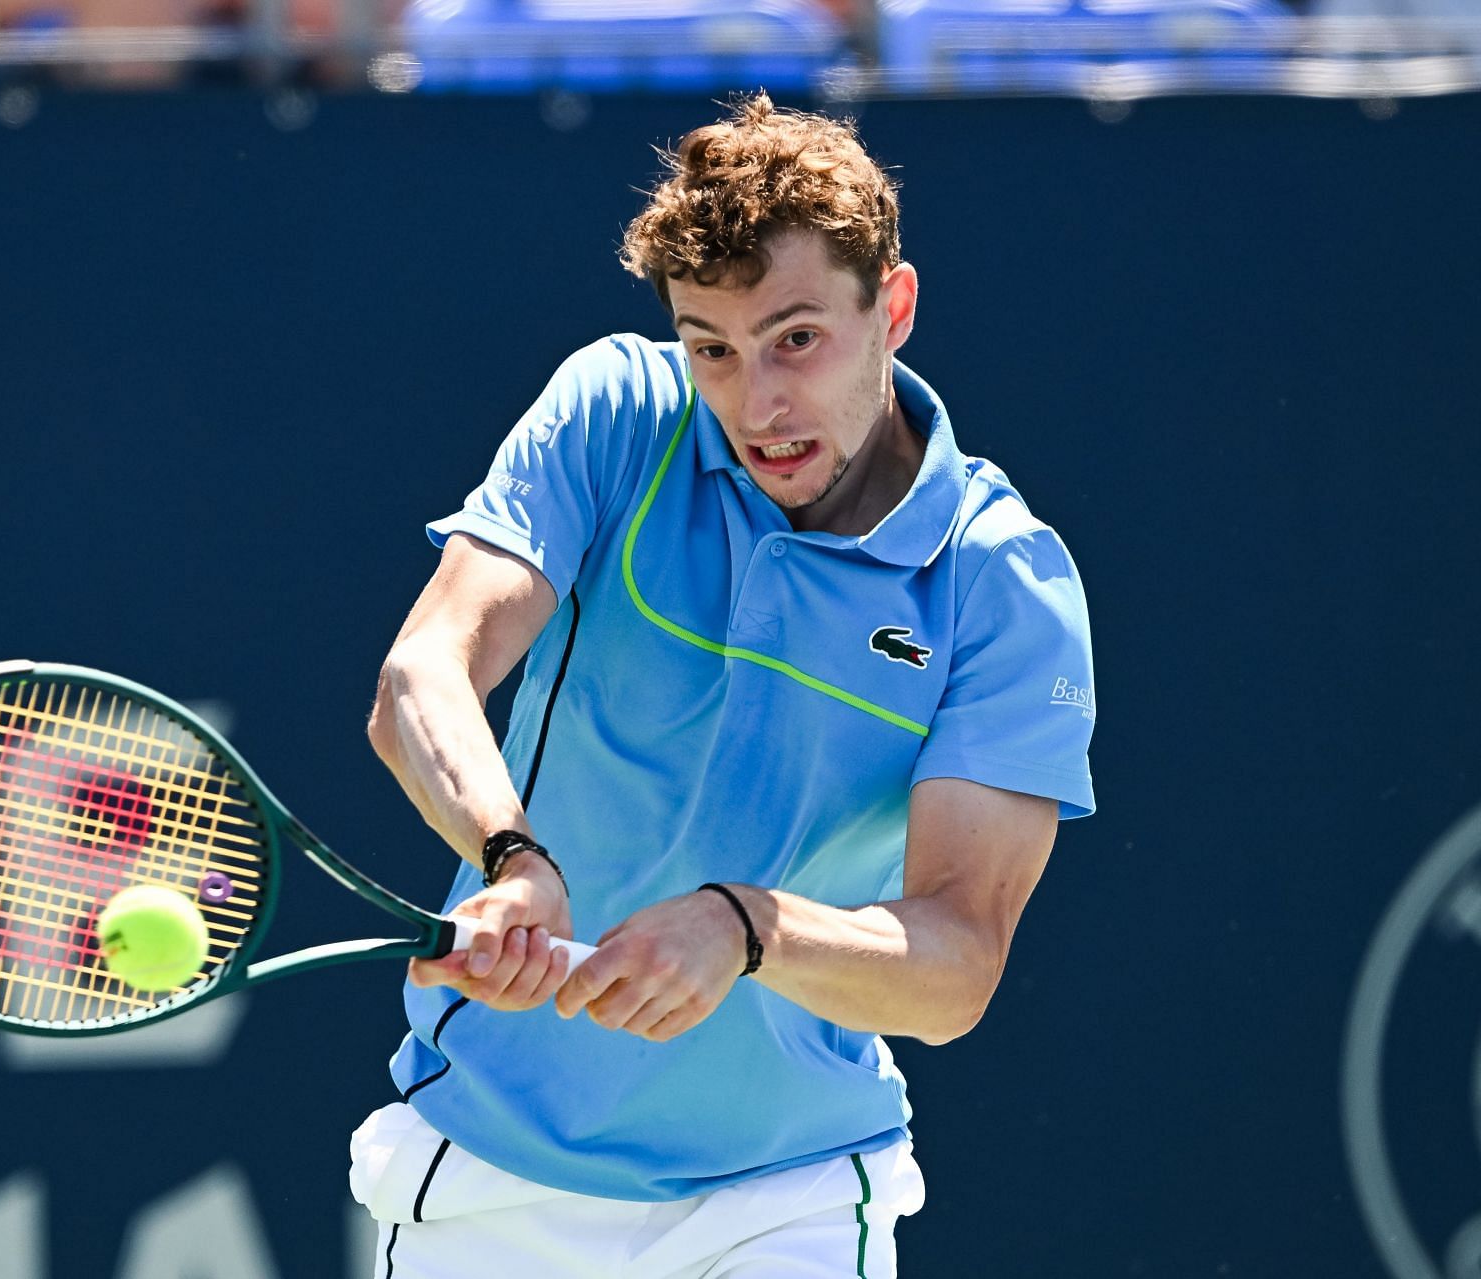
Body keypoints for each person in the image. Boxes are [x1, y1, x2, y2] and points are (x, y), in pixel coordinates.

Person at [351, 91, 1096, 1278]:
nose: (756, 404)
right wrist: (511, 858)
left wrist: (745, 928)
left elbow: (955, 967)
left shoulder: (1002, 581)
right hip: (494, 1173)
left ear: (891, 310)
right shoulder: (613, 413)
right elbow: (421, 678)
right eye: (713, 347)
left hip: (791, 1197)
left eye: (796, 337)